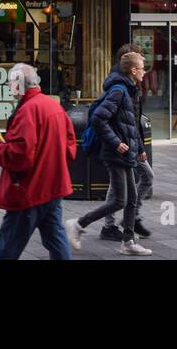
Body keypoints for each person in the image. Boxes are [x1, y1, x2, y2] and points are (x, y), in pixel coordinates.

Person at [66, 51, 152, 256]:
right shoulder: (119, 91)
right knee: (119, 201)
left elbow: (131, 124)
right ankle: (77, 224)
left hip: (127, 153)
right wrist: (116, 143)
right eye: (142, 68)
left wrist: (139, 149)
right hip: (115, 154)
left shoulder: (131, 90)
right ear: (133, 70)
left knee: (131, 199)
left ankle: (128, 242)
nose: (144, 72)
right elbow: (97, 118)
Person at [0, 63, 78, 259]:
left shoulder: (27, 111)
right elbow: (70, 146)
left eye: (11, 83)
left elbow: (19, 156)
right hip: (53, 187)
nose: (10, 88)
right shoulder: (53, 105)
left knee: (7, 247)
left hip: (30, 190)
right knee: (56, 240)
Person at [100, 44, 155, 243]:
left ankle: (128, 220)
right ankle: (104, 225)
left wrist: (139, 146)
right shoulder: (120, 87)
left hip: (131, 142)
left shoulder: (130, 84)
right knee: (120, 192)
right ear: (129, 63)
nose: (143, 66)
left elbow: (133, 118)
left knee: (138, 182)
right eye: (140, 61)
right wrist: (117, 142)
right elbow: (101, 118)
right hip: (122, 145)